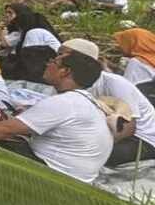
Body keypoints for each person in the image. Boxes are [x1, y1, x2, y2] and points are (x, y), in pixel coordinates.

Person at [0, 51, 112, 183]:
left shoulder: (65, 102)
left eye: (53, 62)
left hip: (56, 174)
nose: (47, 64)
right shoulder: (85, 101)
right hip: (79, 175)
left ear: (65, 71)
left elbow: (5, 129)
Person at [60, 39, 155, 167]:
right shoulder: (68, 82)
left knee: (81, 157)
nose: (57, 58)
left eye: (63, 54)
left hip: (141, 139)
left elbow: (128, 127)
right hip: (107, 131)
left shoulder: (114, 83)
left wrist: (97, 146)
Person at [0, 2, 61, 83]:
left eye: (10, 13)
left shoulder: (34, 33)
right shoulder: (21, 34)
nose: (7, 15)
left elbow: (31, 61)